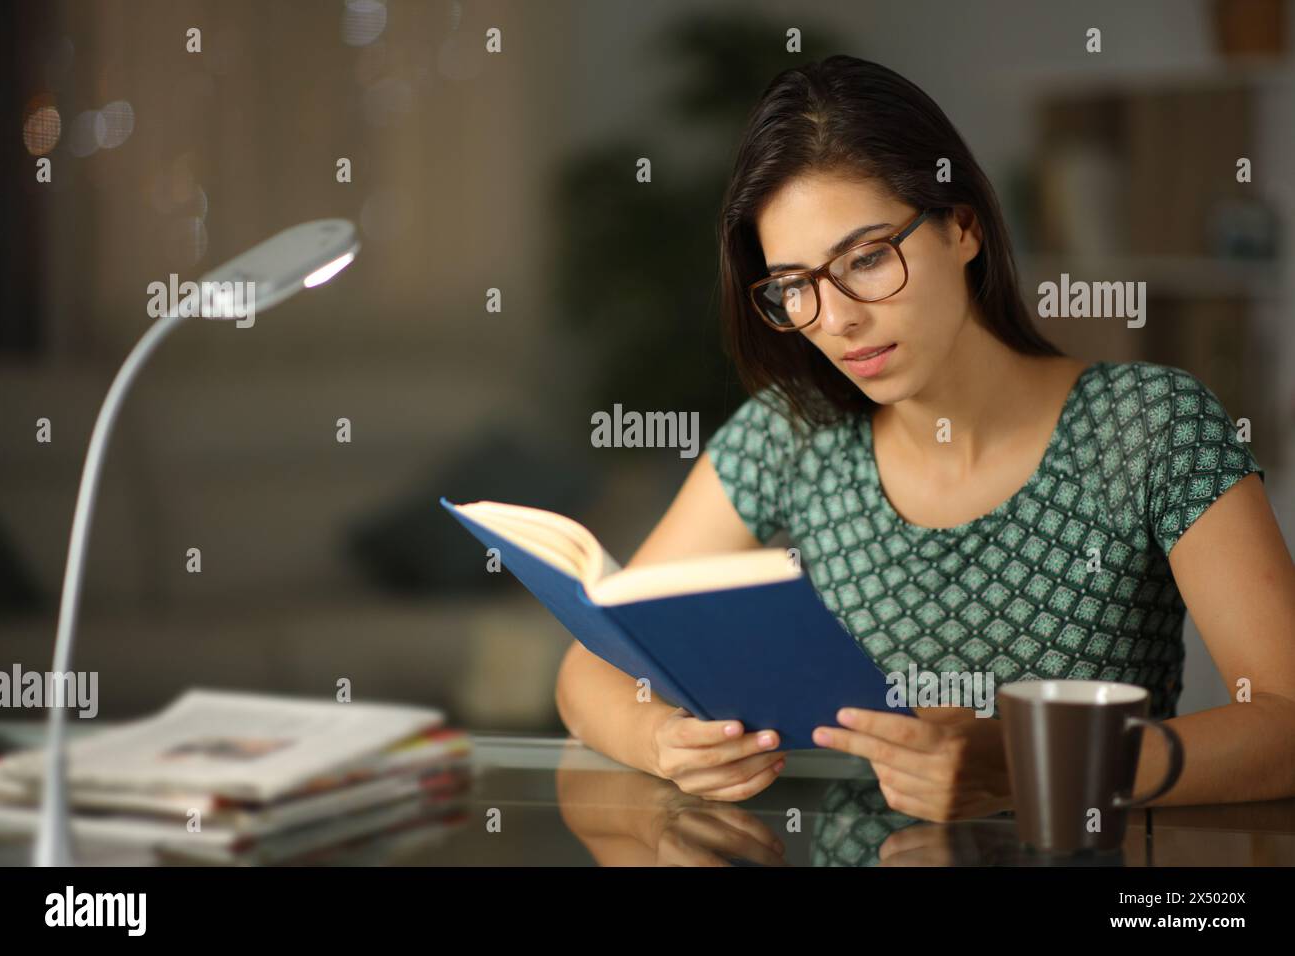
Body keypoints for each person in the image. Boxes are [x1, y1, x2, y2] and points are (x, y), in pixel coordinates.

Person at [555, 55, 1295, 819]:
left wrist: (1025, 764)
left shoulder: (1151, 428)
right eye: (795, 286)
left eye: (868, 259)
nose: (836, 319)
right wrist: (663, 743)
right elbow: (591, 670)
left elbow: (1286, 720)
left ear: (963, 227)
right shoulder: (791, 435)